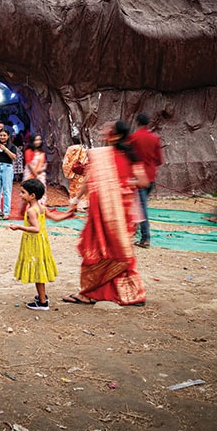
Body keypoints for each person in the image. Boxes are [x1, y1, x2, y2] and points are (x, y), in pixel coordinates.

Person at [62, 121, 149, 306]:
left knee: (98, 251)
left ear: (115, 136)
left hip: (109, 212)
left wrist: (76, 201)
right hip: (120, 212)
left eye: (107, 131)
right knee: (119, 252)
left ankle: (88, 294)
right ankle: (131, 294)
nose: (104, 134)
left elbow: (88, 181)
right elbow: (142, 182)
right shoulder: (131, 157)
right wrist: (123, 184)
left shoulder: (104, 157)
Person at [8, 178, 70, 310]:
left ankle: (42, 302)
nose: (20, 195)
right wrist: (68, 214)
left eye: (23, 192)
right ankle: (42, 297)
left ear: (32, 195)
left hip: (34, 243)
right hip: (42, 242)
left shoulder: (31, 211)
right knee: (39, 268)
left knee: (37, 271)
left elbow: (36, 229)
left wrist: (18, 227)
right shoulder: (41, 207)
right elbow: (56, 218)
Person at [127, 114, 163, 248]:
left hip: (138, 177)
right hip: (151, 176)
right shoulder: (155, 138)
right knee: (139, 205)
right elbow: (159, 160)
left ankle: (145, 238)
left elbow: (129, 157)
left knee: (141, 208)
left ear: (137, 122)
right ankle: (137, 232)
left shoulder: (133, 137)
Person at [61, 135, 89, 209]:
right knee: (81, 188)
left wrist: (69, 169)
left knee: (73, 188)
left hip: (73, 172)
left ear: (72, 141)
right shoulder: (82, 149)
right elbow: (85, 161)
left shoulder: (70, 149)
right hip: (80, 172)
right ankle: (81, 205)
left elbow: (66, 161)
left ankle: (73, 204)